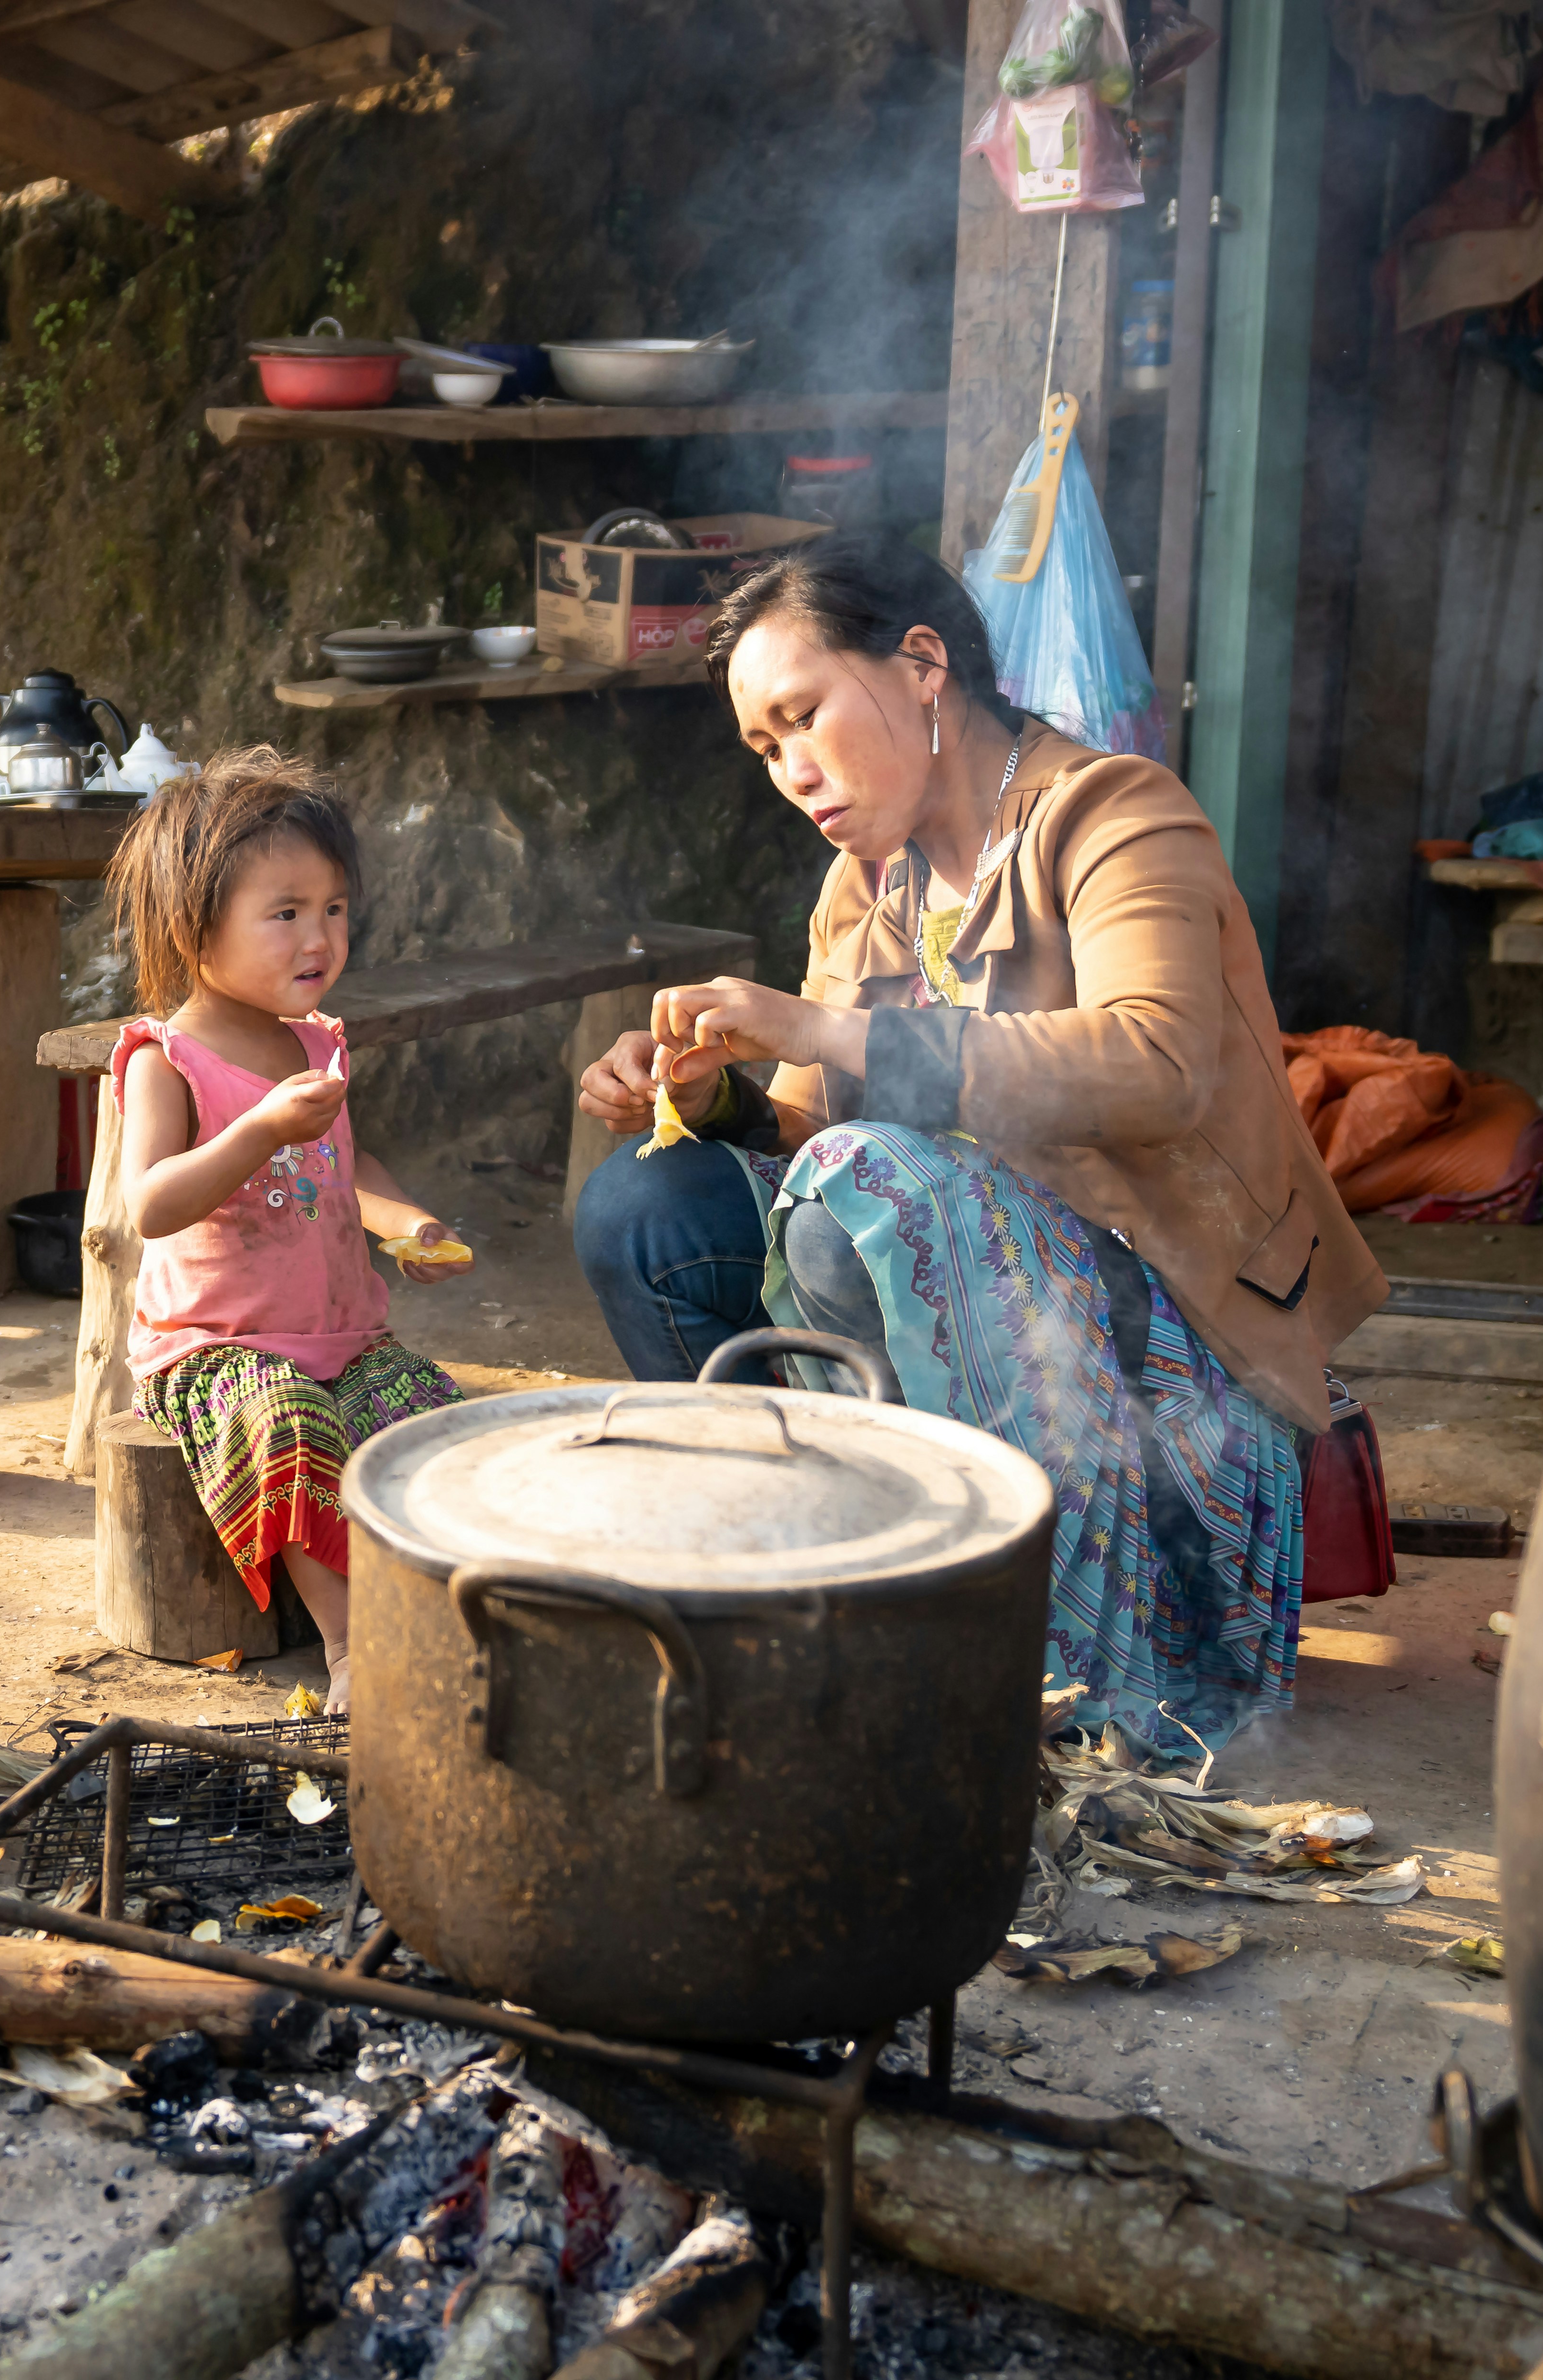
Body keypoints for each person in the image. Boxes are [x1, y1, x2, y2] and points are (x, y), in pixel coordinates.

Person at [570, 535, 1384, 1754]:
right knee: (648, 1208)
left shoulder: (1114, 813)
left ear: (919, 665)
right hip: (961, 1303)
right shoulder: (864, 888)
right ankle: (813, 1603)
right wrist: (707, 1091)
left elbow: (1154, 1065)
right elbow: (803, 1144)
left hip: (1169, 1362)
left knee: (877, 1178)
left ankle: (1078, 1653)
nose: (791, 770)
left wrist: (821, 1025)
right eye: (762, 747)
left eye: (801, 717)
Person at [106, 750, 477, 1710]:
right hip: (215, 1351)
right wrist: (259, 1126)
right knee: (290, 1429)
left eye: (333, 908)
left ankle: (445, 1609)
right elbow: (147, 1203)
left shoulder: (316, 1041)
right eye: (285, 913)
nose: (319, 936)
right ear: (194, 931)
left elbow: (347, 1165)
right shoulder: (166, 1059)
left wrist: (411, 1226)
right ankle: (352, 1644)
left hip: (341, 1333)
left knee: (431, 1422)